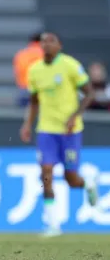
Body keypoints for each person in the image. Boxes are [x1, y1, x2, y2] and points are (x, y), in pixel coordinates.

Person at [20, 32, 98, 237]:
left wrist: (75, 116)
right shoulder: (34, 70)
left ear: (59, 45)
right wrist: (27, 124)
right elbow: (34, 101)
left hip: (70, 131)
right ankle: (52, 224)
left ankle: (87, 182)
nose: (46, 44)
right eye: (43, 41)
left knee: (71, 178)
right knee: (46, 172)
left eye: (51, 41)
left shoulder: (70, 66)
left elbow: (89, 92)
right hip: (46, 130)